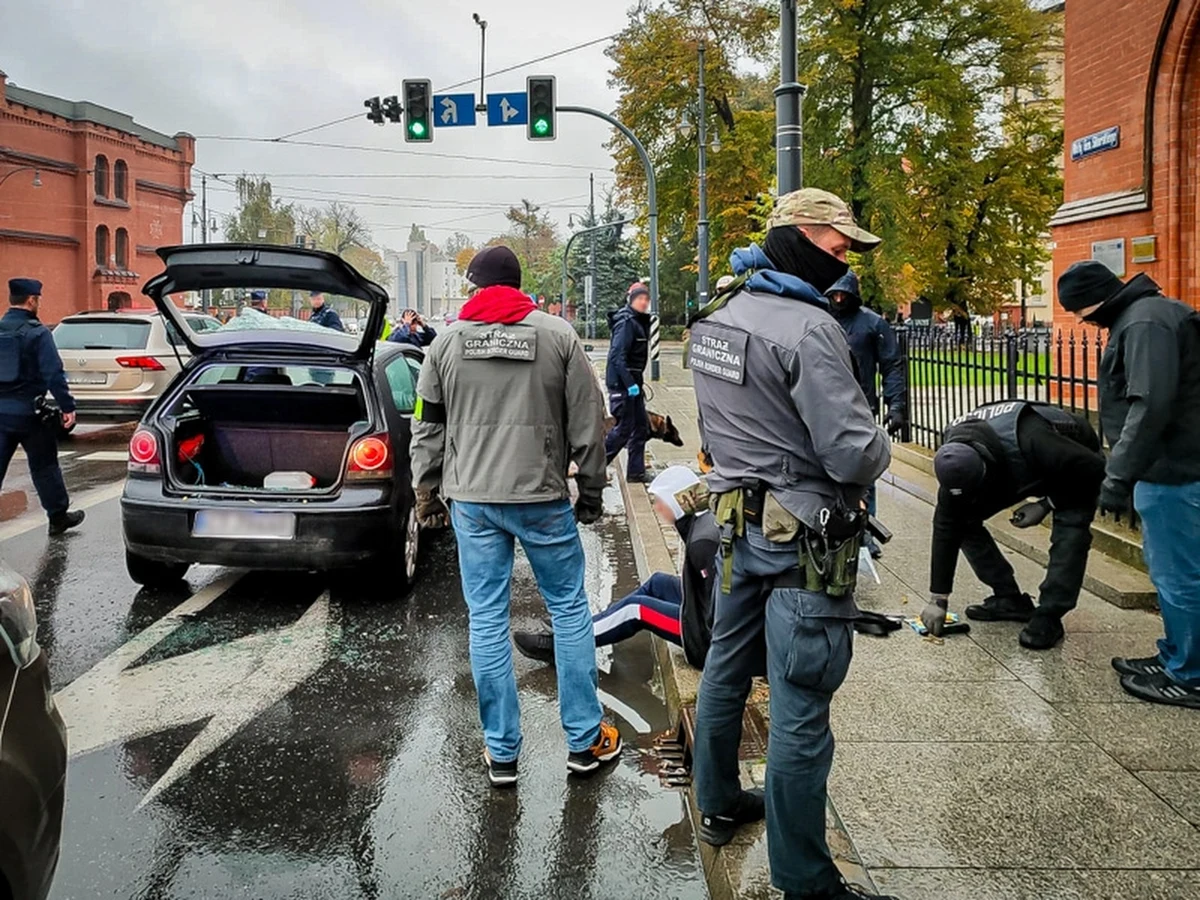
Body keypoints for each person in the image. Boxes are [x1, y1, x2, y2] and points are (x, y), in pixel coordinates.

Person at [687, 188, 895, 900]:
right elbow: (852, 456)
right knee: (801, 705)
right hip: (806, 539)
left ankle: (714, 802)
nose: (842, 266)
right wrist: (883, 440)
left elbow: (717, 429)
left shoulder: (718, 313)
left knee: (724, 668)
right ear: (801, 236)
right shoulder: (808, 329)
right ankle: (807, 882)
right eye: (837, 249)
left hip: (739, 528)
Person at [410, 245, 620, 787]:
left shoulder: (445, 345)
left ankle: (501, 753)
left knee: (486, 619)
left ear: (476, 287)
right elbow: (589, 422)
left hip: (474, 502)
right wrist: (591, 491)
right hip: (542, 498)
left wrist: (427, 492)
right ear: (519, 284)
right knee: (569, 612)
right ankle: (583, 741)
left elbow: (427, 425)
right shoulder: (558, 337)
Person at [1057, 260, 1200, 709]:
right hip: (1172, 467)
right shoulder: (1152, 315)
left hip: (1174, 470)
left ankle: (1190, 674)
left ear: (1091, 304)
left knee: (1179, 577)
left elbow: (1150, 404)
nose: (1085, 324)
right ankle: (1176, 654)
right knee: (1170, 573)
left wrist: (1118, 476)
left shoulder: (1143, 324)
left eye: (1081, 315)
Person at [919, 401, 1105, 649]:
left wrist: (1046, 504)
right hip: (1015, 462)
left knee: (1071, 531)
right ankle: (1009, 598)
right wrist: (938, 598)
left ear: (986, 468)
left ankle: (1049, 616)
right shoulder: (955, 459)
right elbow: (945, 525)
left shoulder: (1035, 441)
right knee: (962, 520)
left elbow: (1096, 469)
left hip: (1073, 461)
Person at [513, 466, 719, 667]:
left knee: (636, 609)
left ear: (677, 501)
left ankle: (561, 645)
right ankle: (583, 627)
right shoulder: (702, 523)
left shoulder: (702, 543)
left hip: (705, 639)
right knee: (658, 583)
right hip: (704, 614)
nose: (656, 507)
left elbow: (723, 608)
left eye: (660, 501)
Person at [825, 271, 908, 557]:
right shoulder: (821, 319)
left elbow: (891, 365)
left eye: (843, 296)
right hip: (822, 405)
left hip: (860, 408)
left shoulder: (872, 323)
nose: (838, 300)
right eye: (834, 295)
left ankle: (864, 532)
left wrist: (897, 406)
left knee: (863, 475)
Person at [0, 279, 84, 535]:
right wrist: (67, 406)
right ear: (32, 300)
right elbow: (53, 373)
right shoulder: (38, 333)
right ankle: (58, 517)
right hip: (31, 415)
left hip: (1, 414)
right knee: (44, 467)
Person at [604, 282, 651, 483]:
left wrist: (636, 384)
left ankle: (636, 473)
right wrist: (629, 383)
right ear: (631, 300)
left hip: (633, 385)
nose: (643, 302)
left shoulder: (636, 321)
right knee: (624, 429)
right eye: (640, 299)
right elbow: (617, 355)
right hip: (623, 385)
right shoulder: (626, 322)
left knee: (640, 427)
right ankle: (593, 469)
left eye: (646, 299)